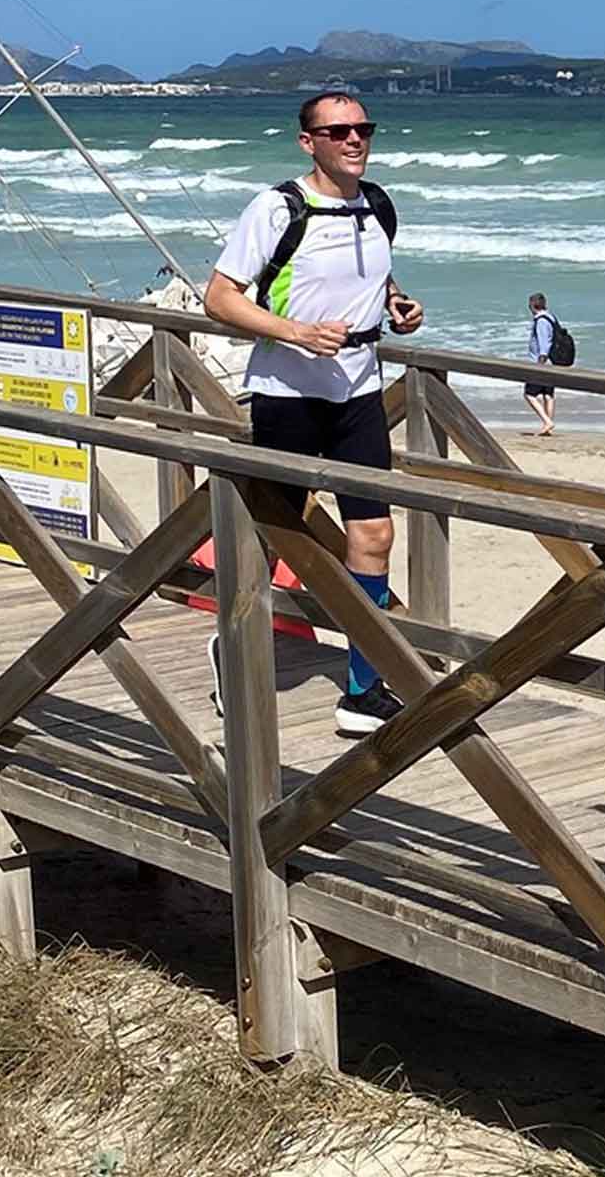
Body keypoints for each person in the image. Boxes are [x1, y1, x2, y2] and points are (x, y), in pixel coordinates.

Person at [201, 90, 425, 737]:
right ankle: (234, 647)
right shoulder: (278, 209)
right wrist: (294, 333)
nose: (354, 140)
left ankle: (361, 689)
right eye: (339, 132)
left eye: (363, 129)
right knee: (275, 533)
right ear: (309, 142)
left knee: (375, 534)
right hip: (288, 391)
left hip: (358, 390)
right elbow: (220, 298)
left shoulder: (378, 204)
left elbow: (373, 282)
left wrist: (400, 308)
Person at [524, 292, 559, 436]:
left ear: (533, 305)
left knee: (529, 394)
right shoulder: (551, 318)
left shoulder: (541, 321)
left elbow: (543, 345)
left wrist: (540, 364)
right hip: (551, 362)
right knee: (547, 394)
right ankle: (548, 425)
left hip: (541, 362)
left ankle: (547, 421)